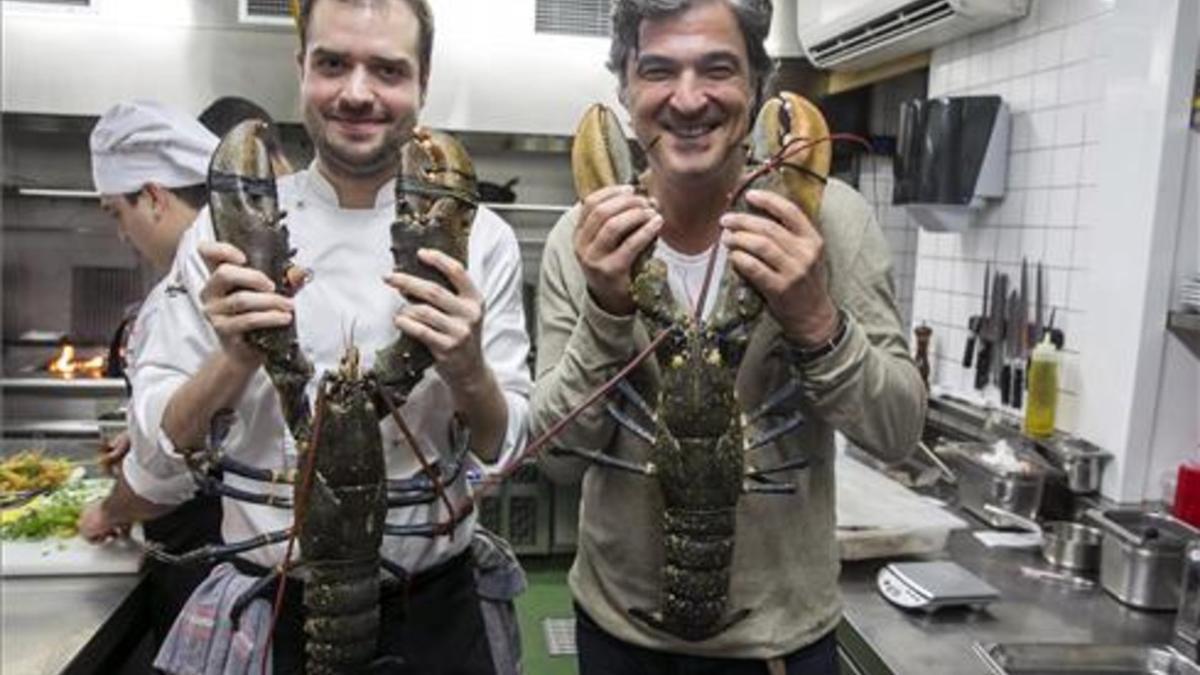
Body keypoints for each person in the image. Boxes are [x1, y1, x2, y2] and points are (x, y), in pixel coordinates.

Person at [531, 0, 927, 673]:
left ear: (756, 85)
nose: (688, 99)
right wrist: (606, 308)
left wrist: (816, 321)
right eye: (658, 70)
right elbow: (558, 458)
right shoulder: (583, 238)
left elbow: (897, 431)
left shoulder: (833, 221)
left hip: (778, 644)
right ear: (624, 89)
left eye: (717, 68)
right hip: (619, 633)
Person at [135, 0, 531, 673]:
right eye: (332, 64)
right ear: (301, 69)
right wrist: (233, 358)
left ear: (423, 82)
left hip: (432, 611)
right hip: (272, 612)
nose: (356, 92)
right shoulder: (217, 234)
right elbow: (156, 457)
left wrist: (467, 370)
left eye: (387, 69)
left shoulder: (481, 238)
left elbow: (499, 454)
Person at [76, 100, 226, 651]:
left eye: (117, 211)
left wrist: (109, 510)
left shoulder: (182, 290)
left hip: (208, 562)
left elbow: (165, 475)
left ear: (155, 197)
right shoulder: (227, 255)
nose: (121, 233)